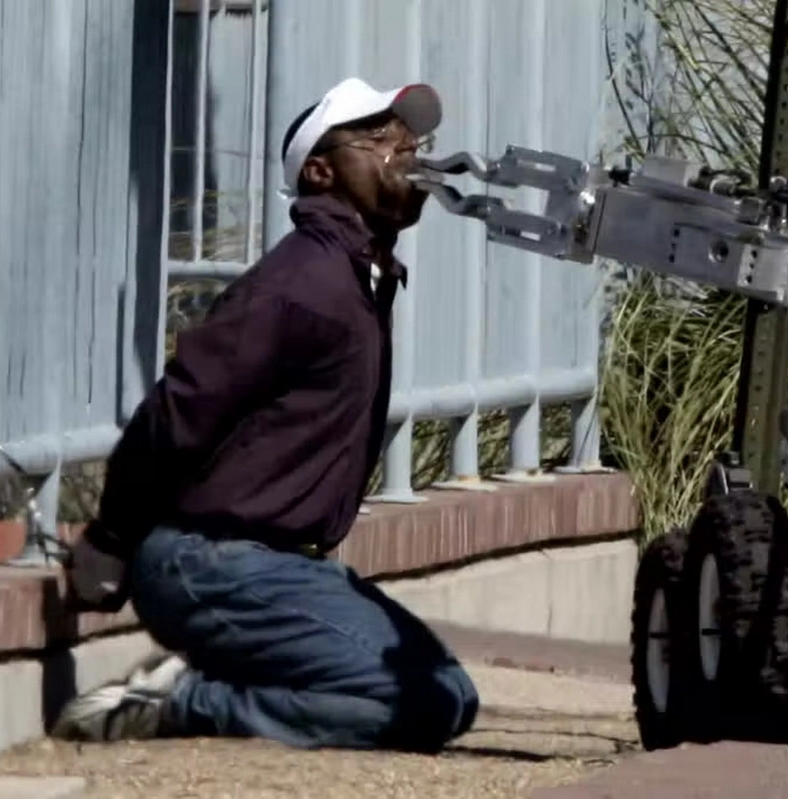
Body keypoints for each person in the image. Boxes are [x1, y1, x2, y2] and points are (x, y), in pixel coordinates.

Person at [51, 77, 480, 752]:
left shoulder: (355, 278)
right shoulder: (304, 282)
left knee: (449, 692)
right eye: (377, 134)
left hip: (273, 569)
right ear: (321, 170)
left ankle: (219, 675)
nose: (404, 145)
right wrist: (109, 538)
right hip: (211, 561)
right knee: (422, 701)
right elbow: (176, 411)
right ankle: (180, 700)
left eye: (409, 134)